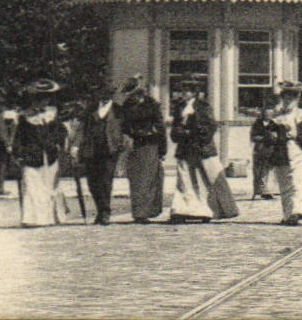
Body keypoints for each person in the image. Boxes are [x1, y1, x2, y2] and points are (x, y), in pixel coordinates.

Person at [168, 87, 238, 222]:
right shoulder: (179, 108)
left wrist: (195, 133)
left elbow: (211, 126)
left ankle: (206, 210)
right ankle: (182, 210)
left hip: (202, 148)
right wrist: (179, 133)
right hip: (185, 148)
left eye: (187, 90)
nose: (184, 93)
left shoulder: (203, 107)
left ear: (193, 93)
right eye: (182, 90)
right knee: (185, 180)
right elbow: (175, 127)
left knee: (205, 179)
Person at [12, 80, 68, 226]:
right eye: (40, 99)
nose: (44, 102)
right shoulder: (25, 117)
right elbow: (19, 137)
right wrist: (18, 154)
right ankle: (32, 219)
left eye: (46, 98)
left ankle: (50, 217)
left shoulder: (52, 115)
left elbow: (61, 132)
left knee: (49, 187)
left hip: (49, 156)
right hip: (31, 156)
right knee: (32, 187)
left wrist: (55, 142)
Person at [266, 81, 302, 226]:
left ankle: (300, 210)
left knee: (297, 181)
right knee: (284, 183)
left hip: (297, 149)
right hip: (280, 151)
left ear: (297, 99)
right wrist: (272, 135)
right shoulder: (275, 115)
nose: (288, 100)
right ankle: (288, 215)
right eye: (286, 97)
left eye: (292, 97)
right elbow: (266, 133)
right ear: (282, 98)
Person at [74, 86, 124, 225]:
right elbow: (81, 128)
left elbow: (123, 129)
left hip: (110, 150)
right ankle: (100, 210)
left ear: (112, 95)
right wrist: (75, 145)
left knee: (106, 182)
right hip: (91, 150)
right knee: (93, 183)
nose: (105, 96)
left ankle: (105, 212)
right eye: (102, 93)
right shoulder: (91, 109)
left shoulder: (118, 110)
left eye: (108, 94)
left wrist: (122, 145)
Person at [120, 77, 166, 223]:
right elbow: (124, 126)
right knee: (135, 180)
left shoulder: (152, 105)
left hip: (150, 144)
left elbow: (160, 127)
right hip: (134, 146)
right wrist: (127, 137)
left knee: (148, 179)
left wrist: (162, 149)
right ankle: (138, 212)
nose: (132, 98)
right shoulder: (127, 106)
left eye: (135, 95)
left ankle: (144, 212)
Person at [249, 86, 280, 200]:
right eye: (266, 113)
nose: (268, 115)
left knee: (269, 171)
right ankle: (258, 190)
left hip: (271, 150)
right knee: (258, 171)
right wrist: (263, 138)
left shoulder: (274, 124)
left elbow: (278, 136)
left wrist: (274, 138)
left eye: (270, 114)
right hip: (260, 150)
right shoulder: (258, 124)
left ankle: (268, 191)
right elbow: (253, 136)